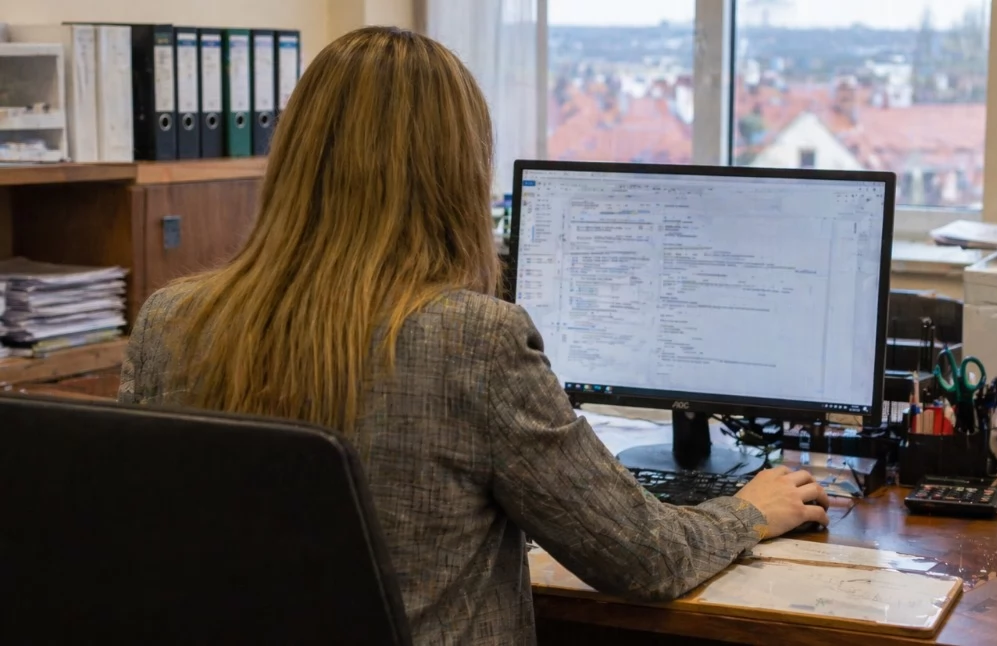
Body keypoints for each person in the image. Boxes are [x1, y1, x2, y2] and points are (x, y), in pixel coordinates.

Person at [118, 27, 830, 645]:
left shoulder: (172, 323)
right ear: (455, 172)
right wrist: (747, 511)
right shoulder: (471, 340)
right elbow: (642, 559)